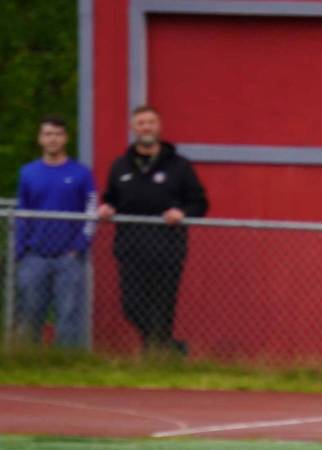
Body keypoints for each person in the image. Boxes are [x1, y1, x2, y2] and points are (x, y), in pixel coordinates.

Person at [96, 105, 208, 354]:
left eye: (150, 122)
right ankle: (168, 346)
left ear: (159, 127)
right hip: (131, 248)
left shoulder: (179, 166)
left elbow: (200, 203)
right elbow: (110, 198)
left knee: (163, 305)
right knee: (132, 305)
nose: (146, 127)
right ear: (133, 128)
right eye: (141, 123)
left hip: (168, 248)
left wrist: (182, 213)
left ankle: (155, 358)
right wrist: (107, 208)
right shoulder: (120, 166)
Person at [13, 115, 97, 347]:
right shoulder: (28, 173)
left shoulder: (81, 173)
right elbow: (22, 213)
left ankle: (64, 364)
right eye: (48, 134)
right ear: (41, 139)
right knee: (31, 310)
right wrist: (22, 250)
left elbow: (91, 211)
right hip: (34, 256)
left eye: (58, 134)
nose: (53, 139)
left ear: (65, 138)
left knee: (68, 312)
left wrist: (78, 248)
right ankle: (27, 359)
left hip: (68, 257)